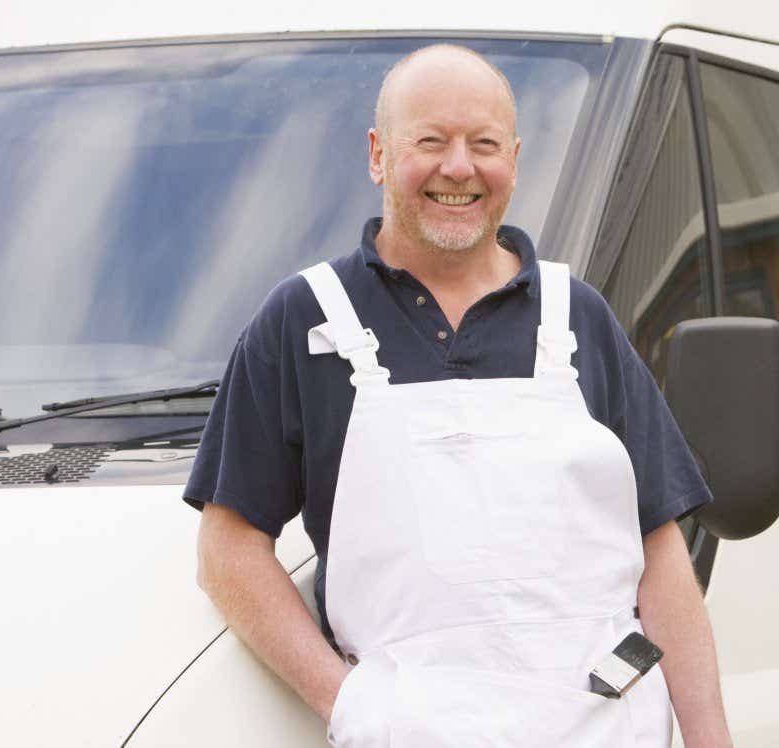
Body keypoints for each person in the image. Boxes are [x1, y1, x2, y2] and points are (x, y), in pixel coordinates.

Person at [186, 44, 733, 747]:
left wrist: (710, 737)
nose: (458, 168)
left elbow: (659, 553)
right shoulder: (305, 319)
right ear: (379, 154)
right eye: (431, 142)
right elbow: (227, 552)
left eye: (483, 144)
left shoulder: (577, 317)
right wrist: (347, 702)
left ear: (514, 155)